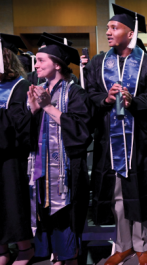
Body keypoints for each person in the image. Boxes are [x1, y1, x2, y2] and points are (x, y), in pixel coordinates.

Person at [84, 4, 147, 265]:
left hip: (141, 141)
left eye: (114, 27)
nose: (108, 31)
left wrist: (135, 102)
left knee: (139, 192)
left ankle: (143, 245)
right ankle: (122, 245)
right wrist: (106, 100)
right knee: (117, 195)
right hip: (111, 141)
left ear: (130, 33)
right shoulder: (99, 63)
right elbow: (89, 96)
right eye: (108, 27)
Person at [27, 33, 91, 265]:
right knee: (44, 210)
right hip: (39, 167)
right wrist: (33, 109)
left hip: (67, 169)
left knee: (65, 214)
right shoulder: (36, 91)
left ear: (57, 64)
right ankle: (54, 253)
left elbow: (82, 131)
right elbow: (26, 131)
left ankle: (69, 256)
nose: (36, 64)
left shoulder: (75, 93)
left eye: (41, 60)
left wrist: (48, 107)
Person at [0, 34, 34, 265]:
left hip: (10, 157)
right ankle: (2, 250)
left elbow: (20, 124)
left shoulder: (20, 88)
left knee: (12, 201)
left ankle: (25, 248)